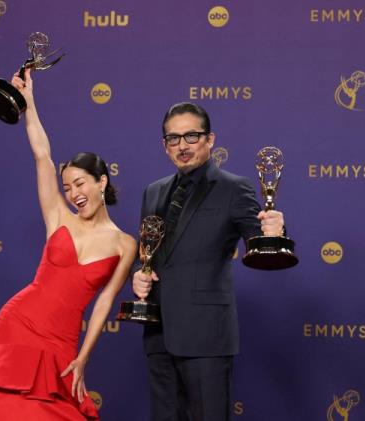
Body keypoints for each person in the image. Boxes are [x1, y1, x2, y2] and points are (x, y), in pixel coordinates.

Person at [0, 69, 137, 421]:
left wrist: (84, 357)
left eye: (80, 184)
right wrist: (29, 103)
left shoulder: (126, 244)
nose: (74, 194)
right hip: (19, 321)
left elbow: (105, 301)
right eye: (67, 187)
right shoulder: (58, 218)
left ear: (101, 181)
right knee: (1, 409)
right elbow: (42, 156)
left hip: (61, 340)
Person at [132, 102, 286, 421]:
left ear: (210, 139)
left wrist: (274, 231)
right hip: (158, 334)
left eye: (191, 136)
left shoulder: (234, 188)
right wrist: (139, 275)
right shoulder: (153, 192)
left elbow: (259, 240)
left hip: (206, 337)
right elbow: (150, 254)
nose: (182, 146)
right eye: (173, 139)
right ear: (165, 146)